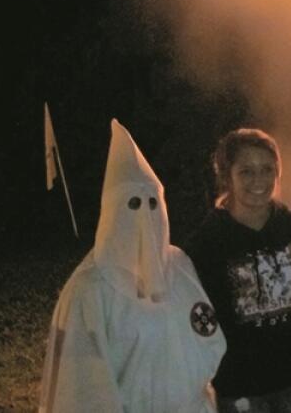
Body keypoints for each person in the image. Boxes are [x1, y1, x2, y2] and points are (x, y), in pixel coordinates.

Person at [39, 119, 227, 412]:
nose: (144, 216)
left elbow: (205, 333)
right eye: (132, 204)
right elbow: (81, 388)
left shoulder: (180, 266)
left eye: (153, 203)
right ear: (111, 212)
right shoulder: (90, 290)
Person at [182, 128, 291, 413]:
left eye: (267, 169)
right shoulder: (207, 243)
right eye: (246, 171)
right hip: (240, 382)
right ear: (227, 176)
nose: (258, 180)